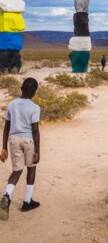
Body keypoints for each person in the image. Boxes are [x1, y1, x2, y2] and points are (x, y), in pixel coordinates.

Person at [0, 78, 40, 220]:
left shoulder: (12, 105)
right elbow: (35, 131)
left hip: (13, 140)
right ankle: (27, 202)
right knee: (31, 168)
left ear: (21, 88)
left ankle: (7, 196)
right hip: (28, 140)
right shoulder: (35, 107)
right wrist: (37, 151)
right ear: (34, 91)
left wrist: (4, 147)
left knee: (16, 170)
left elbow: (6, 128)